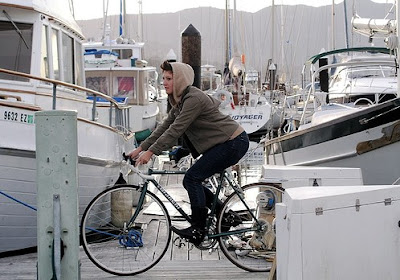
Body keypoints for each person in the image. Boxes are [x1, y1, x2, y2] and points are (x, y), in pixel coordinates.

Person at [127, 60, 249, 245]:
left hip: (233, 142)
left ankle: (198, 228)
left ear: (180, 80)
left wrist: (151, 153)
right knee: (192, 179)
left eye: (169, 78)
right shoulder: (180, 99)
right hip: (225, 143)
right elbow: (164, 127)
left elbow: (176, 130)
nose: (164, 82)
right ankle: (225, 216)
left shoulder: (193, 99)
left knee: (192, 178)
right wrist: (141, 148)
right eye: (164, 79)